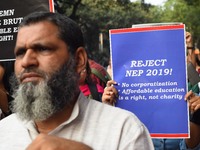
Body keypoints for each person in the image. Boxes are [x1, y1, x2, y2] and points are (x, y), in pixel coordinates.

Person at [0, 12, 154, 150]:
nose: (26, 61)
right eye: (20, 53)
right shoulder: (4, 131)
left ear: (79, 59)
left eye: (43, 49)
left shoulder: (124, 130)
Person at [102, 32, 200, 149]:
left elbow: (191, 146)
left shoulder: (190, 96)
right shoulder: (125, 97)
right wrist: (108, 109)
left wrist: (193, 116)